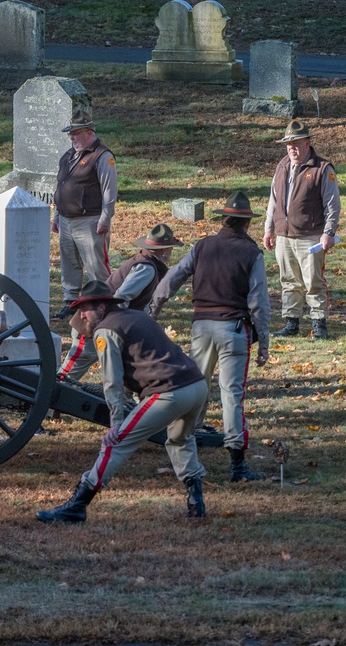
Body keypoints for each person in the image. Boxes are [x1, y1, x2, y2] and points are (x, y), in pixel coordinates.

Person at [36, 281, 209, 525]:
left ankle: (77, 506)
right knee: (180, 439)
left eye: (86, 308)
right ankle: (196, 502)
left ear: (102, 308)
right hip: (196, 386)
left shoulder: (106, 331)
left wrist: (116, 424)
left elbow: (112, 382)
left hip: (168, 392)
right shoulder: (135, 316)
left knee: (115, 445)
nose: (81, 314)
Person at [149, 191, 270, 482]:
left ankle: (182, 448)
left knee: (194, 389)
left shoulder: (202, 246)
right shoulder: (252, 254)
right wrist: (264, 340)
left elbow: (173, 277)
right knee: (232, 395)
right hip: (234, 330)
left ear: (223, 219)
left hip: (201, 327)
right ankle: (237, 464)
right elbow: (259, 302)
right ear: (247, 224)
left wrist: (154, 307)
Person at [58, 223, 182, 384]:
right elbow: (123, 297)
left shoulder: (147, 263)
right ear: (163, 251)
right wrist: (115, 325)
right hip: (93, 323)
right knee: (67, 374)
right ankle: (47, 402)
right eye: (170, 248)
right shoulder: (146, 268)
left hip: (111, 326)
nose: (171, 252)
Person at [263, 119, 341, 340]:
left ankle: (319, 324)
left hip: (311, 236)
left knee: (314, 281)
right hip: (284, 236)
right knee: (288, 281)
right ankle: (291, 322)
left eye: (296, 143)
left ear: (308, 142)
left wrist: (329, 232)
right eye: (289, 145)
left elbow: (332, 204)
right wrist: (269, 229)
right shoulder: (281, 167)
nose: (292, 149)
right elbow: (273, 200)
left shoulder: (322, 168)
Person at [51, 108, 117, 320]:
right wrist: (56, 215)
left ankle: (105, 303)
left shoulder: (102, 156)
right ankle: (71, 303)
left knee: (96, 265)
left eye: (76, 133)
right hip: (66, 220)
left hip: (90, 220)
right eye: (70, 133)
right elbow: (60, 187)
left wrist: (105, 219)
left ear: (89, 133)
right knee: (69, 264)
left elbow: (109, 191)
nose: (71, 137)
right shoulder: (68, 156)